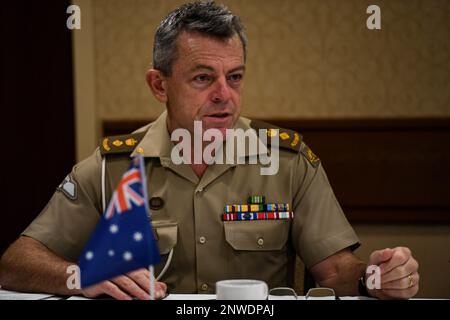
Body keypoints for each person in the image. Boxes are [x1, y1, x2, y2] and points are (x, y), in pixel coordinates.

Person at [0, 1, 419, 300]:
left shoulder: (288, 163)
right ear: (159, 85)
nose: (225, 95)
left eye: (234, 77)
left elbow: (336, 271)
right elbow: (16, 261)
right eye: (203, 78)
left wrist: (376, 277)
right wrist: (80, 275)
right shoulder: (113, 168)